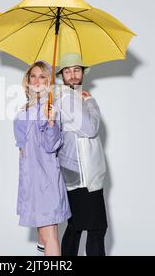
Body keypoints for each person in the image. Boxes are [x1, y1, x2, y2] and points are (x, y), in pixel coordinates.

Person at [13, 60, 71, 256]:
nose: (37, 80)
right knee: (42, 235)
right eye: (33, 76)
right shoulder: (25, 110)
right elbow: (23, 149)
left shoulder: (50, 109)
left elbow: (51, 145)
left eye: (42, 76)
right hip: (30, 181)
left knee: (49, 236)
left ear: (48, 82)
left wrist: (52, 122)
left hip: (45, 180)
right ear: (28, 79)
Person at [55, 52, 108, 256]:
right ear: (61, 75)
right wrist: (91, 103)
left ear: (83, 72)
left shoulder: (74, 97)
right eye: (67, 71)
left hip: (79, 172)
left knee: (76, 226)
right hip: (81, 174)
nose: (73, 75)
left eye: (76, 70)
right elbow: (90, 129)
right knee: (96, 228)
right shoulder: (68, 98)